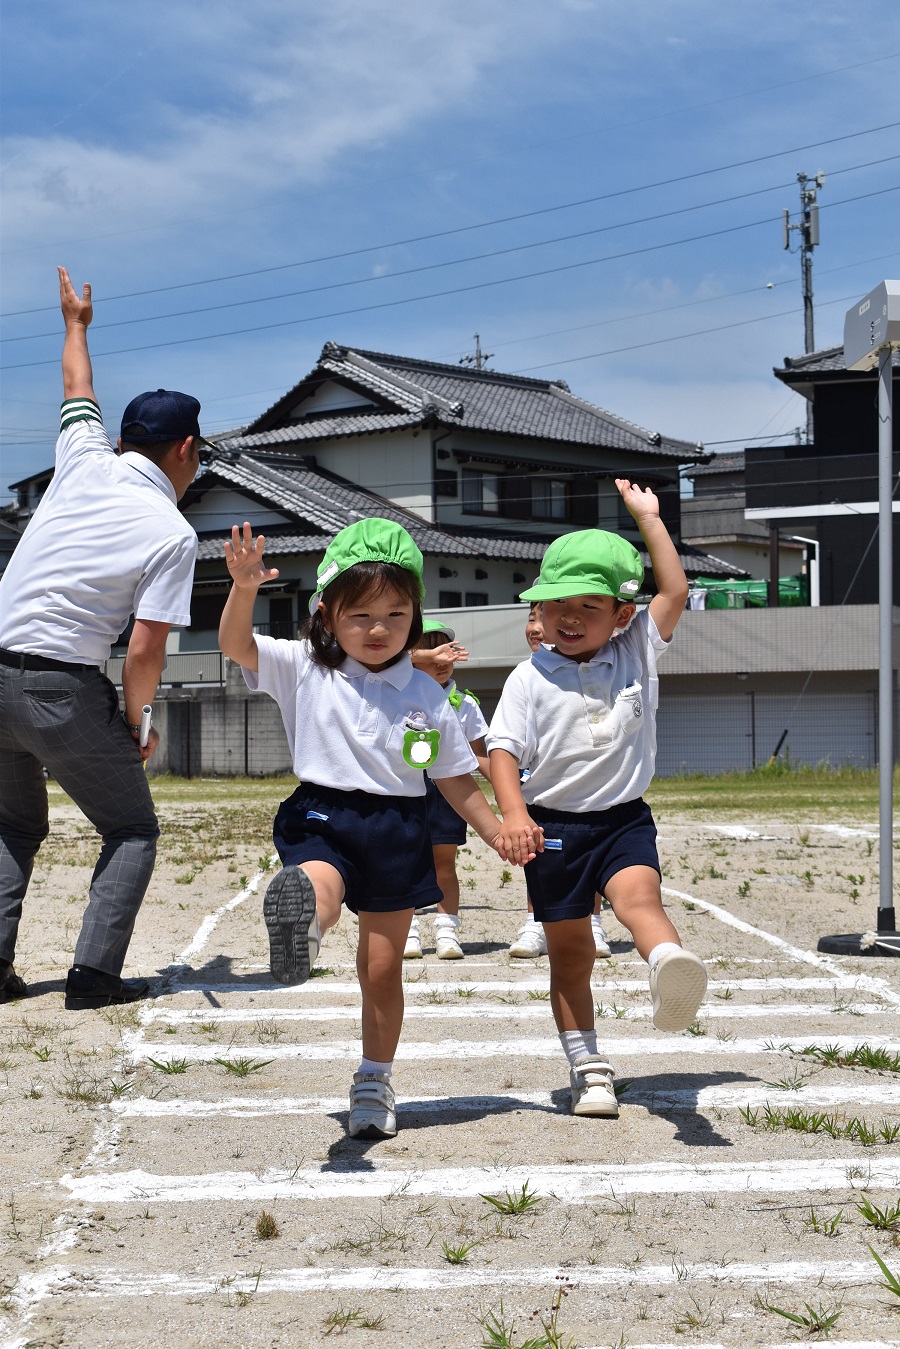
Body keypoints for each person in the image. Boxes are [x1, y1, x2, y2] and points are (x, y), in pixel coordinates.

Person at [218, 518, 528, 1140]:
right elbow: (235, 645)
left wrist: (496, 831)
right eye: (360, 615)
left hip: (397, 825)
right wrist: (244, 587)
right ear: (327, 615)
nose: (379, 628)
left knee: (381, 970)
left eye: (395, 612)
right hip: (323, 812)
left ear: (415, 615)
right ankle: (304, 923)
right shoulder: (303, 666)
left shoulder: (427, 692)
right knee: (316, 881)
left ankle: (374, 1078)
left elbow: (454, 780)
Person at [0, 268, 203, 1009]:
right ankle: (93, 976)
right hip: (59, 682)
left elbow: (75, 385)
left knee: (12, 824)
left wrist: (76, 322)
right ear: (185, 450)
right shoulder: (171, 531)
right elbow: (146, 647)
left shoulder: (83, 457)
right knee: (130, 827)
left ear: (125, 440)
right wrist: (136, 723)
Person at [488, 479, 708, 1119]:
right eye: (557, 604)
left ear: (619, 614)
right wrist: (514, 813)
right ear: (540, 611)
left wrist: (649, 520)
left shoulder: (637, 649)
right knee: (571, 955)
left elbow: (674, 590)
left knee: (640, 899)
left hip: (621, 820)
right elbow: (502, 749)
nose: (570, 616)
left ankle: (669, 966)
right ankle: (590, 1070)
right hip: (553, 828)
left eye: (589, 605)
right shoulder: (528, 676)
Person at [509, 602, 612, 962]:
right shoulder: (526, 676)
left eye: (541, 619)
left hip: (592, 792)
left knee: (590, 838)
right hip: (539, 791)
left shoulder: (595, 666)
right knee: (540, 854)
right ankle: (536, 921)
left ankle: (593, 919)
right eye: (531, 619)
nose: (535, 628)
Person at [404, 620, 490, 960]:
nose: (442, 661)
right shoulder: (395, 696)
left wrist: (510, 782)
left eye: (449, 653)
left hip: (448, 794)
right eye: (431, 654)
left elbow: (480, 755)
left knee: (444, 863)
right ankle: (407, 929)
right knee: (405, 861)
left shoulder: (464, 703)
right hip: (403, 791)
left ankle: (446, 930)